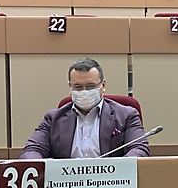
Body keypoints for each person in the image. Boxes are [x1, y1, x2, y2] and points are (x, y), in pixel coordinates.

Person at [19, 58, 150, 159]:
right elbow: (31, 150)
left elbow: (139, 149)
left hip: (111, 183)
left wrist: (121, 167)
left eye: (90, 86)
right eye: (78, 87)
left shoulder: (127, 115)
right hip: (67, 183)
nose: (84, 91)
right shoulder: (53, 118)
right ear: (70, 87)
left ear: (103, 85)